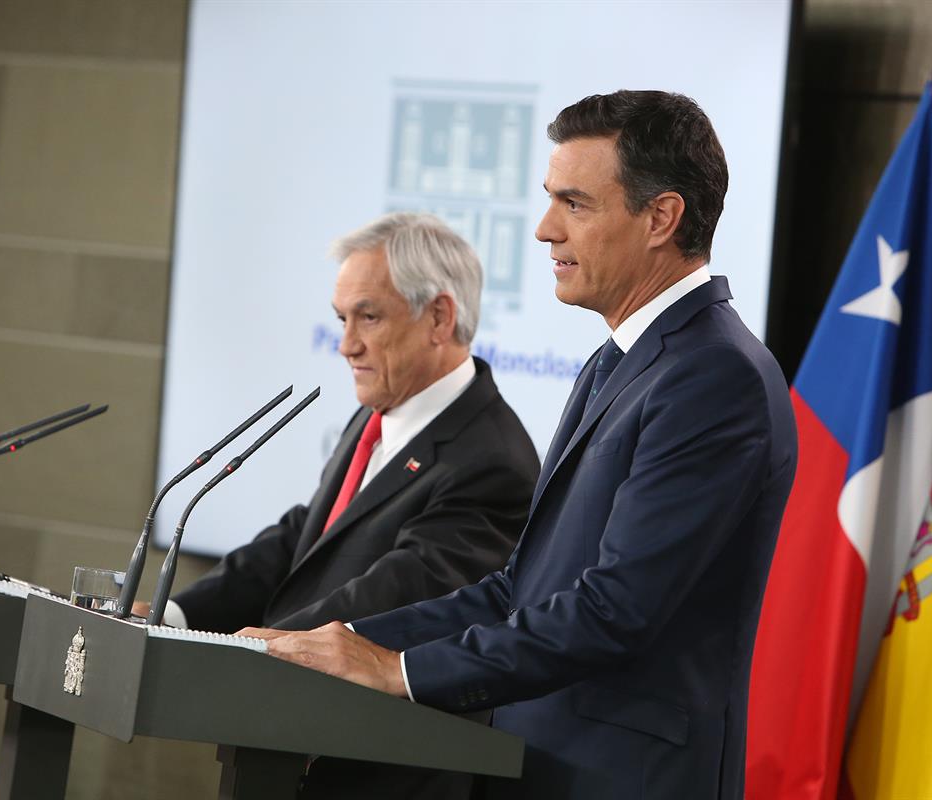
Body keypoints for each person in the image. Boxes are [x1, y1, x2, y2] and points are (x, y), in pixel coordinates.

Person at [248, 91, 799, 800]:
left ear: (661, 217)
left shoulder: (715, 377)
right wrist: (340, 639)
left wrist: (399, 670)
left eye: (575, 204)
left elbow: (613, 609)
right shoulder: (618, 362)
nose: (544, 230)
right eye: (549, 201)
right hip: (538, 763)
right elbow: (520, 590)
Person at [144, 211, 540, 798]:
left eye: (368, 317)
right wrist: (171, 618)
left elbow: (397, 592)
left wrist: (253, 650)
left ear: (438, 317)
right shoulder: (380, 412)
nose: (346, 344)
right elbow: (306, 538)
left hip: (386, 774)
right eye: (341, 319)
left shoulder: (491, 459)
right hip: (305, 745)